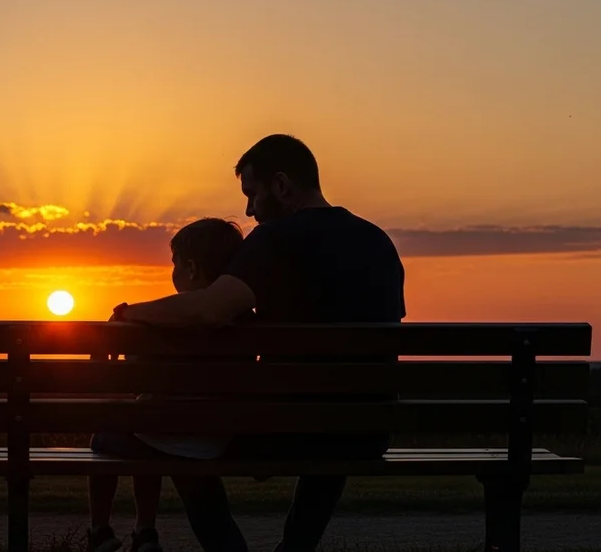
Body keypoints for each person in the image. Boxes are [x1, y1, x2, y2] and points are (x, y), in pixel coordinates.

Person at [111, 134, 406, 552]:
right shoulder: (378, 241)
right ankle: (294, 549)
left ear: (281, 186)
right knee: (334, 419)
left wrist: (130, 312)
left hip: (289, 428)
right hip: (368, 430)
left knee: (179, 440)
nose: (249, 210)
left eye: (252, 195)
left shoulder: (276, 240)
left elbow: (206, 311)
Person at [87, 217, 251, 552]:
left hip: (160, 437)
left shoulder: (158, 323)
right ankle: (144, 533)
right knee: (153, 432)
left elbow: (112, 376)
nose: (172, 272)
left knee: (108, 432)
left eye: (174, 264)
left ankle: (101, 529)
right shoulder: (245, 321)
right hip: (214, 440)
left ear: (191, 269)